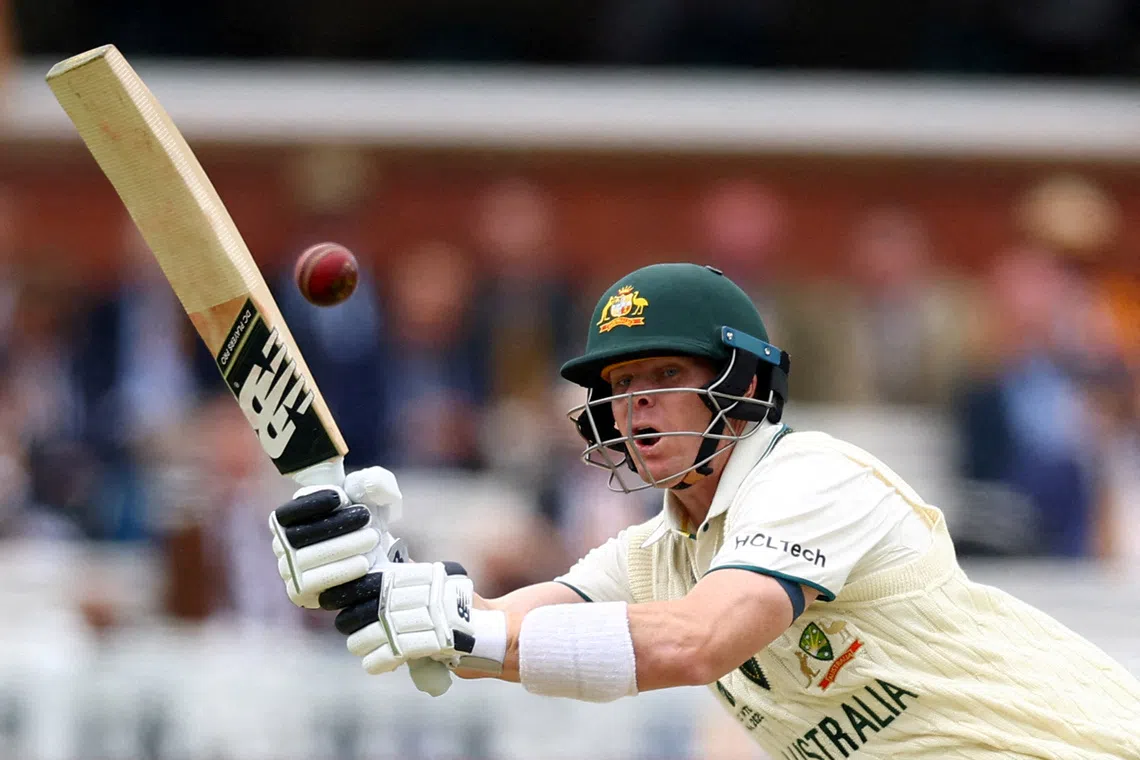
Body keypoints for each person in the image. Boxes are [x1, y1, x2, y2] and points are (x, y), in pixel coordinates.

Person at [268, 263, 1140, 758]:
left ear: (746, 383)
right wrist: (381, 580)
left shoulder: (812, 479)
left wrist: (466, 630)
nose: (636, 403)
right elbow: (494, 627)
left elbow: (696, 642)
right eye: (619, 384)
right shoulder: (654, 555)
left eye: (665, 375)